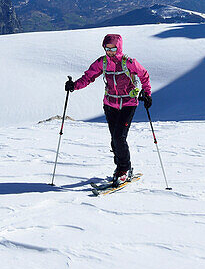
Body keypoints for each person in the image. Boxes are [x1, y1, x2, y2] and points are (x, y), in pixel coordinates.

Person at [65, 33, 152, 185]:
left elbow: (144, 75)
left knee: (119, 137)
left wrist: (147, 93)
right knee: (114, 139)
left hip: (128, 104)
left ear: (119, 48)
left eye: (113, 48)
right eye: (107, 48)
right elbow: (88, 77)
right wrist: (74, 86)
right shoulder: (102, 62)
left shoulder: (129, 62)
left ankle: (124, 169)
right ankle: (120, 167)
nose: (110, 51)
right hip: (110, 104)